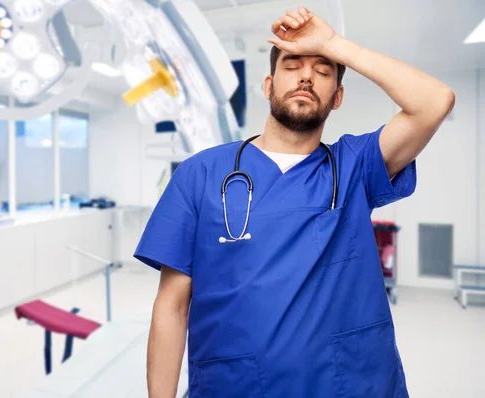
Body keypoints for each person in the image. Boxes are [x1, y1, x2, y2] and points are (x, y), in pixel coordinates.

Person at [134, 5, 455, 398]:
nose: (306, 75)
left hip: (349, 386)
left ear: (337, 97)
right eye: (292, 65)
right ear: (268, 86)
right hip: (235, 387)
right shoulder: (199, 175)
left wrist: (335, 44)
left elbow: (435, 101)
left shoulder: (353, 167)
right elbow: (172, 307)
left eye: (323, 71)